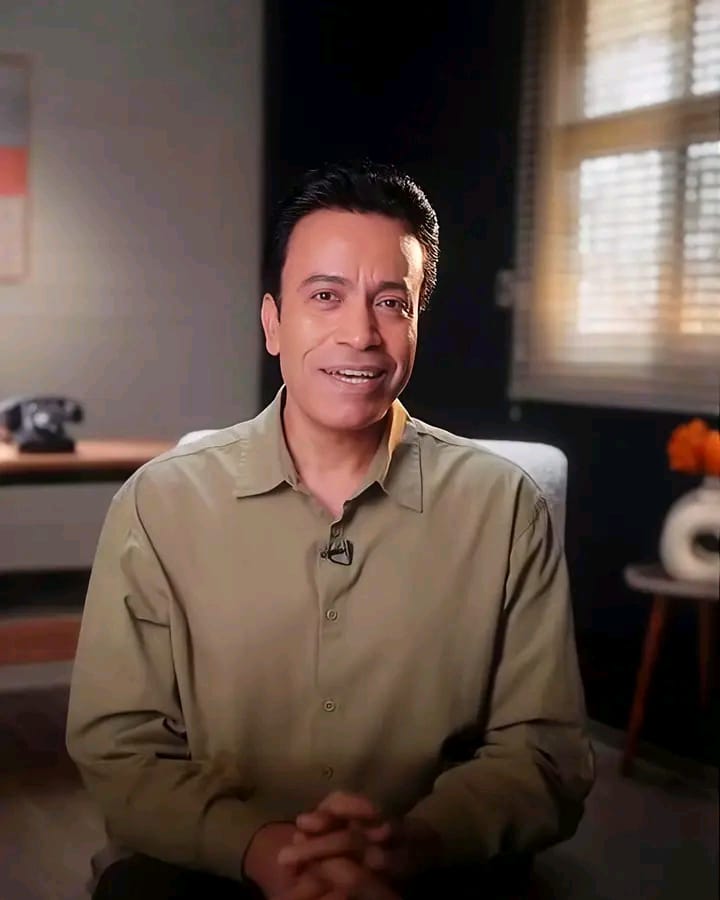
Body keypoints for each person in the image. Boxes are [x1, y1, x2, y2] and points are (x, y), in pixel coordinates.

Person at [66, 161, 594, 900]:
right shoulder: (159, 504)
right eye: (325, 296)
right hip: (211, 867)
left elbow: (544, 751)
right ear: (273, 322)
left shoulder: (503, 506)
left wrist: (412, 844)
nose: (361, 334)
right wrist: (263, 850)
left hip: (431, 867)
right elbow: (119, 748)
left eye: (391, 303)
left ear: (416, 324)